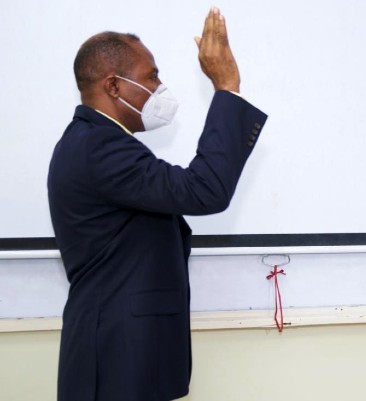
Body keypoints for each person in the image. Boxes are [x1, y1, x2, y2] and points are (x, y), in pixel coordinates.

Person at [47, 7, 267, 401]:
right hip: (117, 356)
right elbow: (204, 189)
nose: (160, 87)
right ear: (113, 86)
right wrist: (226, 87)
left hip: (126, 351)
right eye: (151, 77)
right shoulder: (100, 147)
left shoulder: (96, 142)